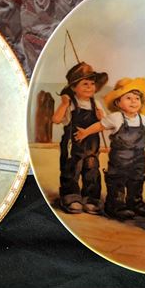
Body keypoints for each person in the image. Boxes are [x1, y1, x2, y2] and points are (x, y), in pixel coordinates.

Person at [75, 78, 145, 224]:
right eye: (128, 98)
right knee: (117, 182)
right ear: (118, 103)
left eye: (137, 98)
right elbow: (99, 126)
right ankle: (115, 206)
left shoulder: (142, 119)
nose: (133, 101)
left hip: (138, 159)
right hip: (119, 159)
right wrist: (85, 132)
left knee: (137, 181)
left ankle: (135, 203)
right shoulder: (116, 118)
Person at [52, 62, 108, 214]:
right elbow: (56, 119)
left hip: (92, 145)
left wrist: (101, 117)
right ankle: (71, 197)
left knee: (92, 168)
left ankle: (91, 198)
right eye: (85, 84)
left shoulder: (96, 103)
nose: (89, 87)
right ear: (73, 87)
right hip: (72, 145)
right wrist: (64, 104)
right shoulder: (70, 103)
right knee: (72, 168)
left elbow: (104, 124)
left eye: (92, 84)